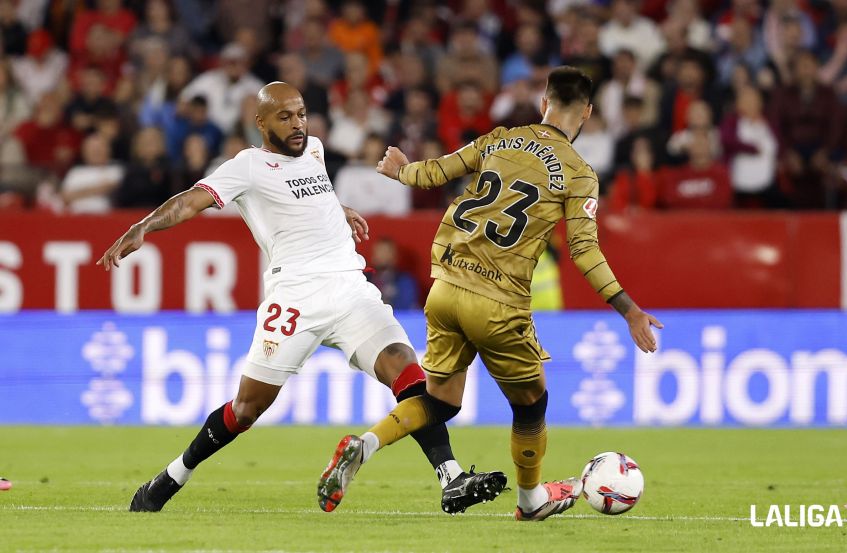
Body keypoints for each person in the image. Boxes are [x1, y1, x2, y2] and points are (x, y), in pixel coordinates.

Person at [97, 82, 504, 515]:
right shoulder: (247, 166)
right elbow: (190, 202)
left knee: (406, 370)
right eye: (286, 117)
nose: (298, 124)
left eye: (302, 114)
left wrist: (338, 210)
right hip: (295, 298)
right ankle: (172, 477)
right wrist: (143, 226)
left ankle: (451, 477)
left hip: (350, 289)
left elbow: (312, 196)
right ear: (261, 122)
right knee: (247, 408)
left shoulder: (315, 151)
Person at [318, 67, 662, 521]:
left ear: (544, 102)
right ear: (589, 112)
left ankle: (366, 443)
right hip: (497, 303)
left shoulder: (500, 138)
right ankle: (531, 500)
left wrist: (402, 171)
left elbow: (438, 171)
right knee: (532, 404)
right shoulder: (579, 173)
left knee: (439, 399)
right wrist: (628, 308)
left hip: (445, 288)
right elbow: (583, 249)